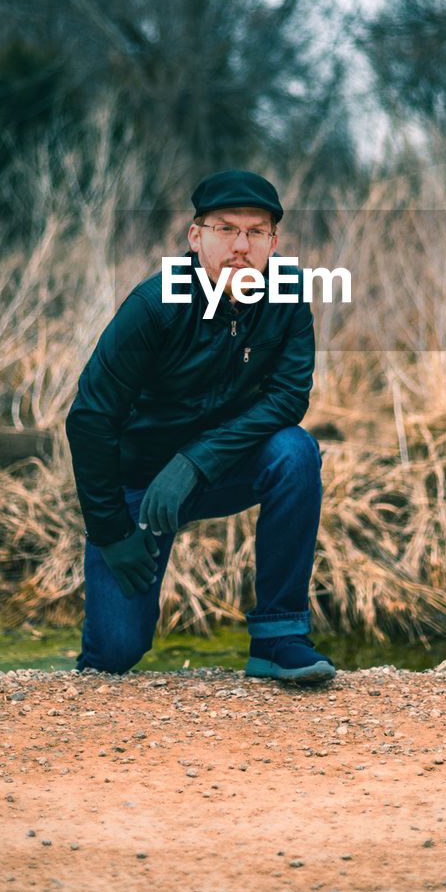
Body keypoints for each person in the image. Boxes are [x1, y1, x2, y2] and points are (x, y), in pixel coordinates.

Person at [65, 169, 335, 683]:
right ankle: (101, 656)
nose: (241, 245)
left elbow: (287, 398)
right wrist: (110, 530)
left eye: (256, 232)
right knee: (115, 656)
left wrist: (195, 462)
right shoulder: (154, 305)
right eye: (225, 229)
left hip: (217, 471)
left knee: (295, 452)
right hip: (139, 485)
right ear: (196, 236)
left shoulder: (288, 295)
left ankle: (279, 640)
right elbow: (90, 419)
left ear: (273, 242)